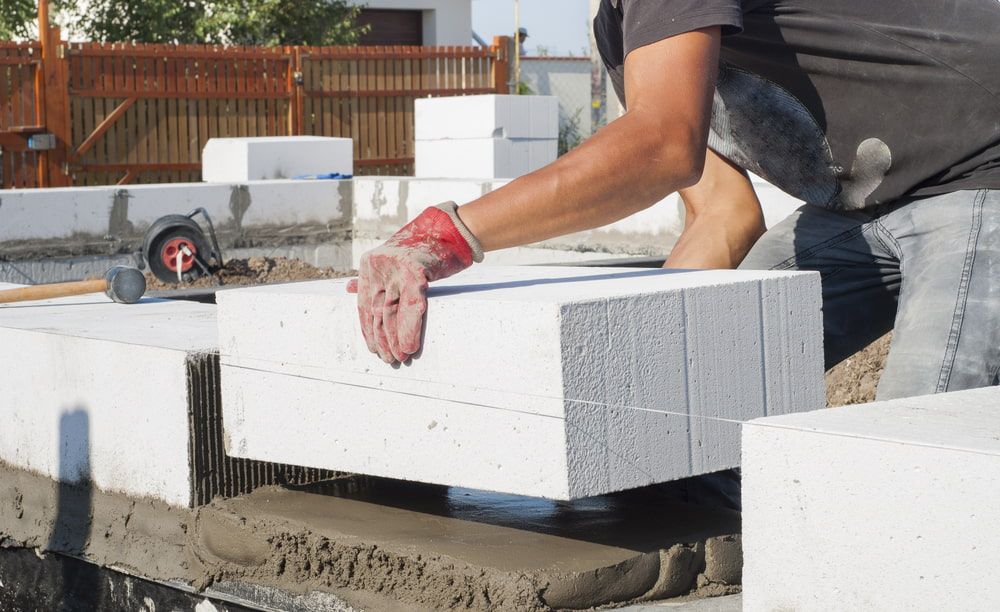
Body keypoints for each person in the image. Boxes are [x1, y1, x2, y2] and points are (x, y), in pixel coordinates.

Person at [350, 0, 1000, 401]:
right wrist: (653, 372)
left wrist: (446, 236)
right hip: (859, 211)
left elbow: (662, 147)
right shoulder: (623, 31)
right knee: (707, 382)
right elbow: (723, 212)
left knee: (914, 449)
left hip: (980, 172)